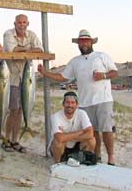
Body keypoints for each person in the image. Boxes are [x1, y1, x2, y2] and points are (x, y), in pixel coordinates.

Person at [38, 29, 118, 165]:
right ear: (78, 44)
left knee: (107, 130)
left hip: (103, 99)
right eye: (81, 41)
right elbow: (62, 77)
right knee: (94, 132)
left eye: (86, 41)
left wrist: (103, 76)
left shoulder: (101, 56)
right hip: (85, 102)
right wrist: (45, 72)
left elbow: (115, 72)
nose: (84, 44)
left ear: (91, 42)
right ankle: (97, 157)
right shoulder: (75, 61)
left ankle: (111, 158)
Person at [3, 14, 43, 153]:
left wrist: (23, 50)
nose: (21, 24)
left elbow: (40, 50)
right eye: (19, 22)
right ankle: (6, 139)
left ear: (28, 23)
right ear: (15, 23)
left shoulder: (32, 35)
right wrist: (28, 49)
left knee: (21, 111)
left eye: (24, 22)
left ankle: (15, 140)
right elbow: (11, 50)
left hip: (27, 80)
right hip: (13, 79)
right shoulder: (8, 34)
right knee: (13, 110)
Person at [49, 91, 95, 163]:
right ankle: (57, 163)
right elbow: (59, 138)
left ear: (77, 104)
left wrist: (66, 136)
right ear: (63, 104)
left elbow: (90, 134)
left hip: (76, 145)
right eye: (67, 102)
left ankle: (83, 159)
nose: (70, 105)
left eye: (73, 103)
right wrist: (79, 132)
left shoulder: (82, 114)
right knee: (57, 142)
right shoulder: (56, 116)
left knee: (91, 140)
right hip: (63, 146)